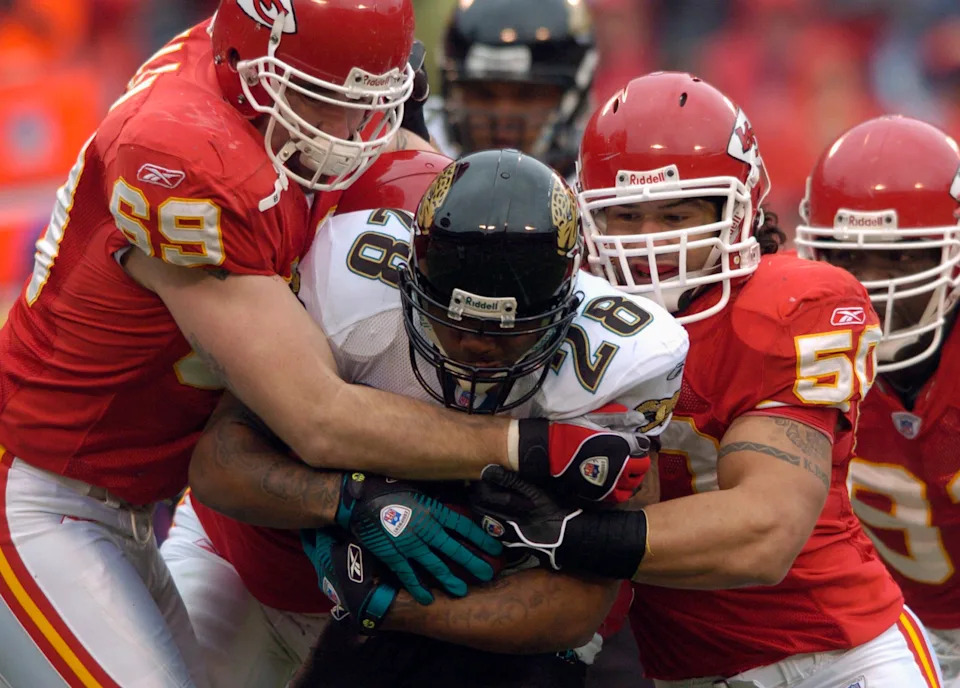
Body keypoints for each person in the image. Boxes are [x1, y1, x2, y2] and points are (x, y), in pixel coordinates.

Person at [0, 1, 641, 684]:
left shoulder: (258, 88)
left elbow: (406, 160)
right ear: (248, 61)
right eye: (316, 98)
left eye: (363, 103)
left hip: (130, 507)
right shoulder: (183, 156)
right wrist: (528, 447)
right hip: (45, 501)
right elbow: (317, 418)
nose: (342, 133)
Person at [468, 71, 944, 687]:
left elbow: (764, 534)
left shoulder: (790, 304)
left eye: (675, 213)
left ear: (737, 209)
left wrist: (564, 536)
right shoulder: (560, 321)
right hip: (683, 672)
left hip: (836, 656)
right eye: (626, 215)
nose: (649, 241)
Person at [161, 147, 689, 687]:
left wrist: (389, 607)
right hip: (246, 568)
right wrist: (346, 500)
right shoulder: (350, 289)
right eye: (451, 319)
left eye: (503, 329)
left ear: (563, 305)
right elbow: (220, 462)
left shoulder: (616, 363)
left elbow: (581, 604)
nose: (472, 345)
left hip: (450, 629)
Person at [796, 114, 960, 686]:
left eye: (901, 256)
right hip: (874, 628)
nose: (870, 285)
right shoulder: (793, 344)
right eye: (848, 256)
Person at [429, 0, 596, 177]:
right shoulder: (421, 149)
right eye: (483, 93)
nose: (502, 117)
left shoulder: (599, 186)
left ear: (571, 100)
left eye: (526, 95)